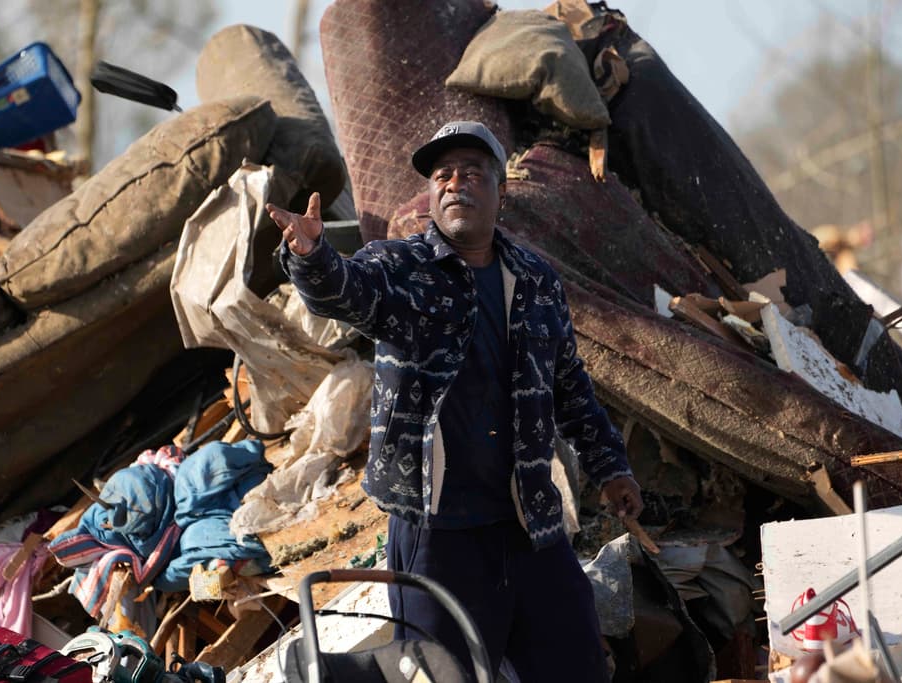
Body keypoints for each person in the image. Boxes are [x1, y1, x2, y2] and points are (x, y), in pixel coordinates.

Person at [267, 120, 644, 682]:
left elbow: (570, 385)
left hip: (529, 524)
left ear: (501, 192)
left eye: (472, 173)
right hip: (436, 534)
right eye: (442, 175)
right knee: (441, 675)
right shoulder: (399, 267)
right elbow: (342, 291)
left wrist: (611, 466)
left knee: (577, 665)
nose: (454, 184)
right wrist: (311, 255)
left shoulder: (536, 280)